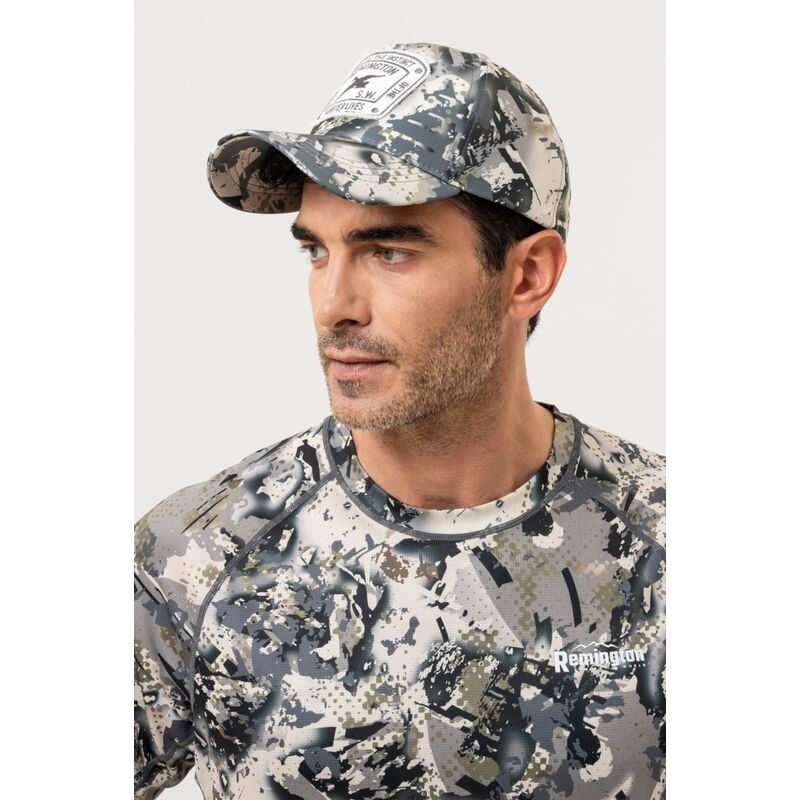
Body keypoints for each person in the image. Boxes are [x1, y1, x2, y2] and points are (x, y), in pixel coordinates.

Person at [134, 42, 666, 800]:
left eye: (388, 251)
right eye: (316, 251)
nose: (334, 307)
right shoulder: (194, 560)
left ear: (527, 275)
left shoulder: (667, 546)